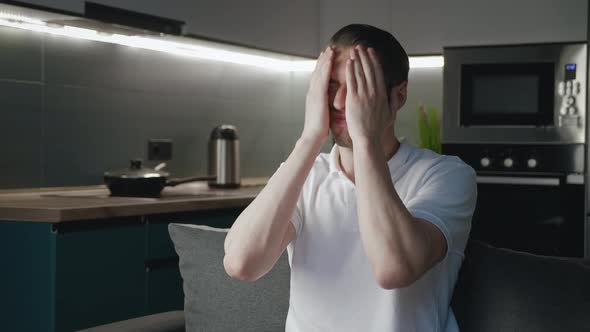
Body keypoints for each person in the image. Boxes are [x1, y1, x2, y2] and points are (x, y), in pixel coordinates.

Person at [223, 24, 477, 332]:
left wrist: (365, 139)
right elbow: (241, 263)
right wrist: (309, 139)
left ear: (398, 96)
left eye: (358, 88)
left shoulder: (447, 175)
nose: (340, 102)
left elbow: (392, 268)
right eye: (331, 86)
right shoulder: (307, 173)